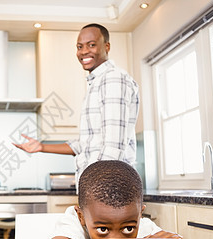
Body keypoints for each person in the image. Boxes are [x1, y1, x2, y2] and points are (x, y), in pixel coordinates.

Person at [14, 23, 139, 184]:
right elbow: (84, 145)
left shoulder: (113, 79)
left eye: (92, 45)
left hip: (107, 188)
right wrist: (41, 146)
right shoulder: (97, 83)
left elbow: (113, 146)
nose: (84, 51)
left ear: (107, 46)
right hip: (100, 187)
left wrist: (96, 189)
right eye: (79, 47)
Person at [43, 160, 208, 239]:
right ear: (81, 217)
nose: (116, 238)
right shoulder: (74, 221)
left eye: (128, 229)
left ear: (140, 215)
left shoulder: (140, 223)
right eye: (102, 230)